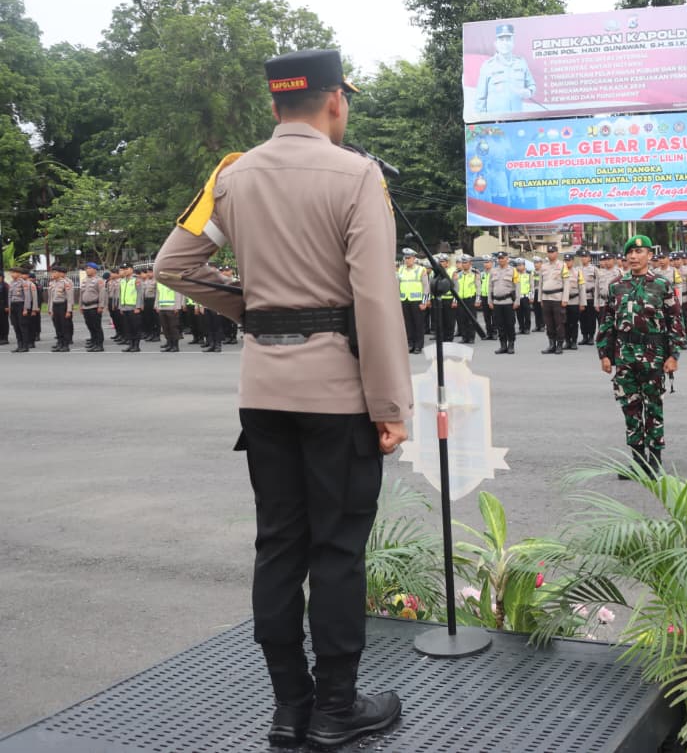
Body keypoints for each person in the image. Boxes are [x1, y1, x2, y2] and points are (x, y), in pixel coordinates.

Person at [154, 48, 409, 749]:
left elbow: (173, 265)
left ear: (274, 105)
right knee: (337, 551)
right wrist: (390, 405)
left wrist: (255, 310)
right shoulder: (358, 175)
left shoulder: (232, 175)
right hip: (337, 396)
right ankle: (337, 708)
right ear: (335, 101)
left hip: (262, 393)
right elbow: (374, 298)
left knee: (278, 548)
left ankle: (290, 708)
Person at [597, 234, 684, 477]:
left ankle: (654, 460)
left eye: (639, 252)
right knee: (630, 407)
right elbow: (607, 322)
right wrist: (604, 354)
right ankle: (637, 461)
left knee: (653, 406)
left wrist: (673, 355)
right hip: (625, 355)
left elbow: (675, 320)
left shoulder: (662, 284)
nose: (634, 257)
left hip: (654, 355)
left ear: (649, 255)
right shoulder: (616, 285)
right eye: (630, 253)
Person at [475, 24, 535, 114]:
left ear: (513, 43)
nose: (505, 43)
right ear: (496, 44)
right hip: (495, 119)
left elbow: (532, 85)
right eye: (501, 40)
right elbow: (480, 98)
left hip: (518, 117)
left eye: (508, 40)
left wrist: (529, 92)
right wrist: (483, 120)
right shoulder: (488, 66)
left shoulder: (521, 63)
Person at [486, 251, 518, 354]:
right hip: (497, 302)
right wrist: (489, 300)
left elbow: (517, 286)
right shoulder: (493, 271)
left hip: (508, 302)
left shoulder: (513, 270)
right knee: (500, 325)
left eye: (502, 258)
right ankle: (503, 345)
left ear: (507, 259)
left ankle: (511, 345)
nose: (501, 260)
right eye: (499, 258)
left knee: (510, 324)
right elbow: (490, 287)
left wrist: (517, 300)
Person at [538, 245, 567, 354]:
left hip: (557, 298)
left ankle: (559, 345)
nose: (550, 254)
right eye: (549, 252)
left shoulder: (562, 265)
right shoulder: (543, 266)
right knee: (548, 323)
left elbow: (566, 282)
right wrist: (540, 298)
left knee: (559, 323)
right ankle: (551, 344)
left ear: (557, 253)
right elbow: (540, 283)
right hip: (546, 298)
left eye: (552, 252)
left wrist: (565, 298)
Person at [397, 248, 427, 354]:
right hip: (404, 299)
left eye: (409, 258)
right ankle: (410, 344)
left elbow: (426, 287)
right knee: (408, 324)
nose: (407, 260)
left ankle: (418, 345)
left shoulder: (421, 269)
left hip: (417, 300)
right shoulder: (400, 269)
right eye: (405, 258)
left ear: (414, 258)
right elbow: (397, 286)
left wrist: (424, 302)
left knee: (418, 324)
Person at [47, 265, 76, 352]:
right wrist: (50, 309)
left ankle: (65, 344)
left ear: (60, 273)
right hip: (55, 306)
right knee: (57, 326)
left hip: (63, 305)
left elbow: (70, 298)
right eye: (52, 272)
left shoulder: (65, 283)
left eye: (55, 272)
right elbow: (50, 298)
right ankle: (60, 343)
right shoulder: (52, 283)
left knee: (64, 326)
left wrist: (69, 310)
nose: (53, 274)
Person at [79, 262, 107, 352]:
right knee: (90, 326)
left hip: (94, 306)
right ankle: (94, 342)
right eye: (86, 268)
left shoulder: (99, 280)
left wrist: (101, 306)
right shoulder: (84, 280)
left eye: (89, 268)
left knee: (96, 326)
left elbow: (102, 294)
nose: (87, 270)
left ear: (95, 270)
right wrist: (80, 305)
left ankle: (99, 345)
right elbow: (81, 294)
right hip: (86, 307)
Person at [8, 266, 32, 352]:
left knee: (23, 326)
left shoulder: (23, 283)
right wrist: (9, 307)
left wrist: (25, 309)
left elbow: (27, 297)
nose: (11, 274)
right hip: (13, 305)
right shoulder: (11, 283)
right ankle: (19, 345)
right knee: (16, 326)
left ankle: (25, 346)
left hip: (21, 305)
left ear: (18, 273)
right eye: (11, 273)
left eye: (13, 272)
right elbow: (9, 296)